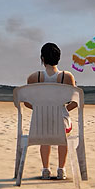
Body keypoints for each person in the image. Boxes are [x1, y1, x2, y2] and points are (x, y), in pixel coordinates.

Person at [26, 42, 77, 180]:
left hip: (40, 123)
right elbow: (75, 102)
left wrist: (40, 109)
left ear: (42, 58)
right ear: (58, 58)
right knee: (63, 137)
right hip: (61, 122)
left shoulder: (33, 77)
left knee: (45, 134)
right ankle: (61, 169)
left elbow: (26, 102)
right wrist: (63, 108)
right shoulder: (66, 77)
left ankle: (45, 169)